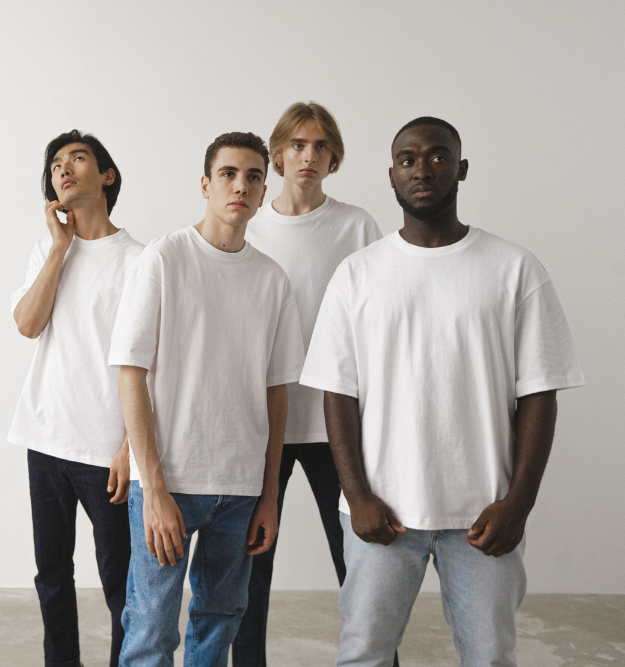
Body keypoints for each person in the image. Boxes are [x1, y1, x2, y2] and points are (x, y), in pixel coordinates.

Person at [300, 117, 585, 666]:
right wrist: (356, 495)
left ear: (462, 168)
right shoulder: (358, 274)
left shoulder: (514, 269)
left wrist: (519, 504)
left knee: (490, 656)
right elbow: (338, 394)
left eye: (437, 156)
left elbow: (540, 394)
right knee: (363, 653)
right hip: (382, 512)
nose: (422, 169)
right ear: (391, 174)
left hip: (483, 515)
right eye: (408, 159)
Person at [108, 132, 305, 666]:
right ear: (205, 184)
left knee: (218, 625)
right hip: (171, 482)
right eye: (228, 174)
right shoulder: (164, 259)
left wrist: (269, 494)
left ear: (264, 192)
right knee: (149, 630)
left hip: (239, 493)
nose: (240, 186)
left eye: (253, 177)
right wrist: (153, 489)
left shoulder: (271, 280)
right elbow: (131, 374)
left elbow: (275, 391)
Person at [234, 101, 384, 667]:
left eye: (321, 146)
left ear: (334, 157)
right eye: (297, 145)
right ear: (277, 153)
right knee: (251, 569)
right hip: (260, 422)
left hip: (335, 424)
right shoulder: (249, 223)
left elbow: (376, 321)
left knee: (361, 564)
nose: (309, 156)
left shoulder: (356, 226)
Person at [10, 130, 143, 667]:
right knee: (52, 577)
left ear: (107, 176)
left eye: (77, 159)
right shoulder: (48, 250)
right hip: (44, 439)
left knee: (122, 584)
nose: (62, 170)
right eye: (56, 164)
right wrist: (61, 250)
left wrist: (131, 445)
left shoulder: (140, 260)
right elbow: (27, 323)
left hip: (107, 451)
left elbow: (156, 367)